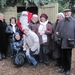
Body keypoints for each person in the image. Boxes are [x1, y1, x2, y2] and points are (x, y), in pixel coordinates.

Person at [55, 9, 75, 75]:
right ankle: (63, 67)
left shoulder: (73, 21)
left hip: (69, 42)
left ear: (70, 13)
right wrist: (57, 39)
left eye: (68, 12)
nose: (66, 14)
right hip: (61, 42)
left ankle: (68, 69)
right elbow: (56, 31)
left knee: (68, 57)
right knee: (62, 56)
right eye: (65, 12)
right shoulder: (61, 22)